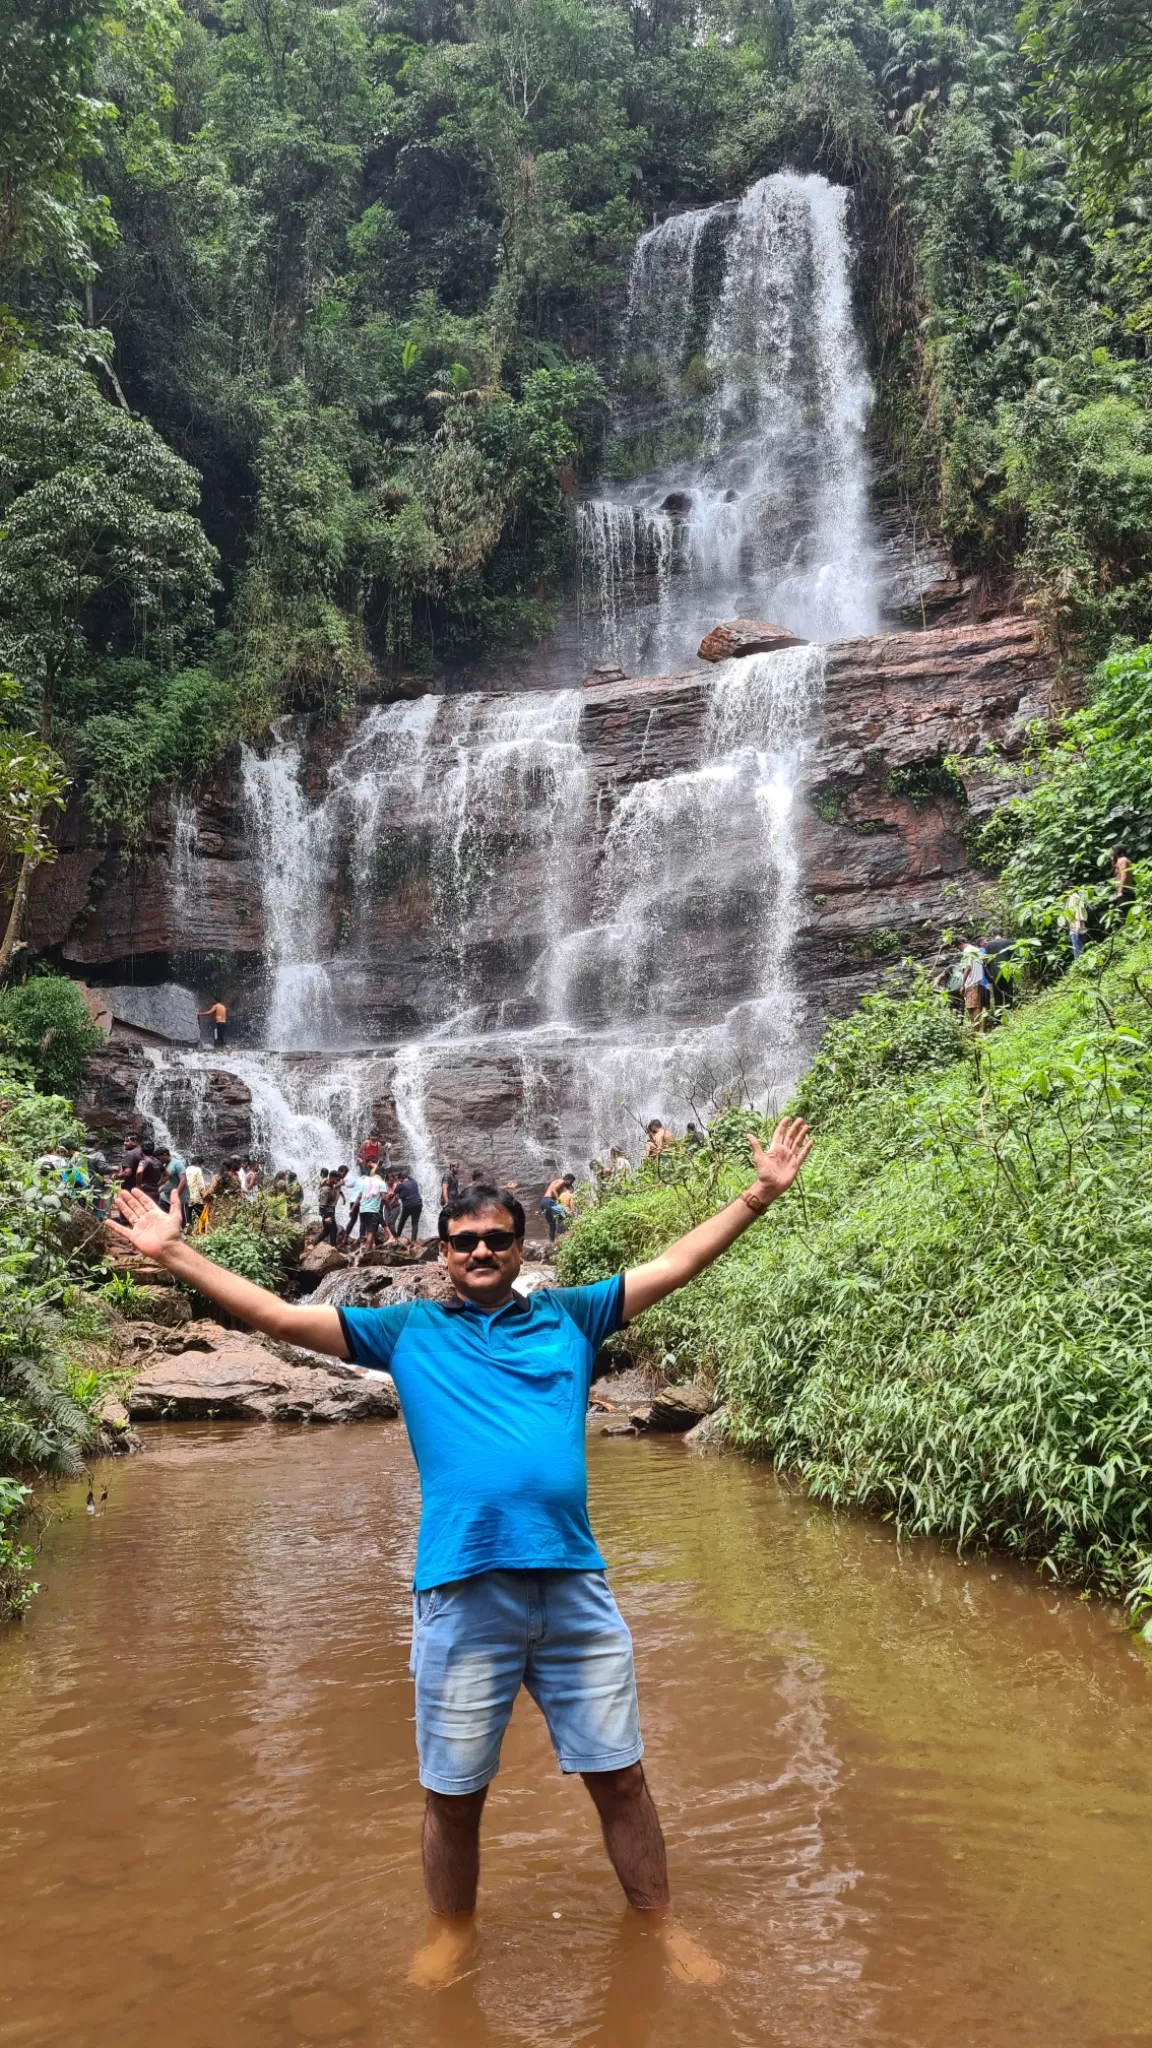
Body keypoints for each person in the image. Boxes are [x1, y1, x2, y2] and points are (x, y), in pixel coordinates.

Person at [106, 1117, 812, 1991]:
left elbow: (675, 1264)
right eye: (464, 1241)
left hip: (573, 1588)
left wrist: (759, 1195)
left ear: (522, 1248)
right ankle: (451, 1932)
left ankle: (660, 1925)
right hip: (460, 1590)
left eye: (495, 1239)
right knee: (452, 1792)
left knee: (622, 1778)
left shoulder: (572, 1315)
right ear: (443, 1252)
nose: (479, 1250)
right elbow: (279, 1315)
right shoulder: (407, 1333)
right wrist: (175, 1253)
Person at [957, 943, 987, 1031]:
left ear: (960, 945)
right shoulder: (977, 950)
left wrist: (962, 984)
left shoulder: (967, 951)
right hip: (979, 982)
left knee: (972, 1007)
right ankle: (975, 1029)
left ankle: (975, 1030)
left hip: (971, 983)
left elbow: (968, 967)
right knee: (976, 1006)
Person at [357, 1168, 387, 1252]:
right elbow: (384, 1198)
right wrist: (389, 1207)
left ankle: (367, 1248)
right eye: (384, 1174)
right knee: (370, 1232)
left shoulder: (365, 1181)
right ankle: (366, 1252)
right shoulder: (381, 1183)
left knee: (367, 1229)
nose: (384, 1176)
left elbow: (359, 1196)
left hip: (362, 1210)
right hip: (372, 1211)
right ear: (381, 1173)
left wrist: (353, 1209)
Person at [539, 1174, 570, 1241]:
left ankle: (551, 1242)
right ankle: (562, 1238)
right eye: (571, 1181)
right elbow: (553, 1190)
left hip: (543, 1202)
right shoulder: (561, 1181)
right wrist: (559, 1201)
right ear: (568, 1179)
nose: (570, 1184)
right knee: (565, 1216)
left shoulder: (557, 1182)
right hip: (549, 1201)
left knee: (552, 1224)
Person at [1061, 889, 1089, 961]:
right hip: (1081, 928)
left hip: (1075, 929)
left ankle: (1080, 970)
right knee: (1082, 952)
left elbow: (1076, 914)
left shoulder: (1073, 898)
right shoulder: (1078, 897)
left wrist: (1076, 928)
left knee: (1078, 956)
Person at [395, 1170, 423, 1241]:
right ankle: (413, 1240)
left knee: (402, 1221)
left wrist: (398, 1185)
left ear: (401, 1178)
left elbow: (395, 1192)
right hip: (418, 1204)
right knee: (415, 1223)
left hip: (408, 1205)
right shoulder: (414, 1182)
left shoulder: (401, 1185)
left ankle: (397, 1236)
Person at [317, 1171, 340, 1247]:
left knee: (327, 1231)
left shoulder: (330, 1185)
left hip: (330, 1212)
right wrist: (325, 1217)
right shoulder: (325, 1190)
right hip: (327, 1214)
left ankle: (312, 1245)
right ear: (332, 1178)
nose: (338, 1181)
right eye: (337, 1179)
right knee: (333, 1230)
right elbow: (321, 1206)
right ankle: (333, 1248)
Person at [1112, 846, 1135, 922]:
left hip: (1125, 891)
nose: (1111, 852)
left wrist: (1120, 891)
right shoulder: (1120, 860)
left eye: (1112, 850)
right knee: (1125, 914)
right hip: (1125, 891)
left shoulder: (1122, 860)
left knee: (1121, 914)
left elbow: (1124, 875)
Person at [186, 1157, 209, 1232]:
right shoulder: (198, 1170)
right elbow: (201, 1185)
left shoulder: (186, 1169)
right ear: (198, 1164)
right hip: (196, 1198)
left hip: (187, 1198)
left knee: (188, 1220)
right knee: (203, 1217)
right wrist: (205, 1196)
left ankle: (189, 1235)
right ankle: (203, 1233)